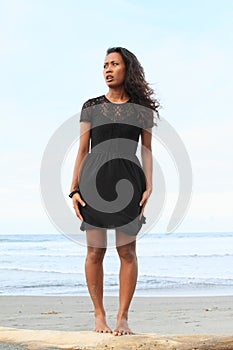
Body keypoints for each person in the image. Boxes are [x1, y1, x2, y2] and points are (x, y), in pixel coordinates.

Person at [69, 47, 160, 336]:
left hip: (129, 182)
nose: (108, 69)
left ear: (127, 69)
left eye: (114, 64)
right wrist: (74, 189)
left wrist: (149, 186)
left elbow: (146, 150)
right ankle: (99, 316)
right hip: (94, 182)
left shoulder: (141, 109)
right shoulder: (91, 106)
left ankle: (122, 318)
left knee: (127, 252)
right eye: (105, 65)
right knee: (95, 252)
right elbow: (83, 149)